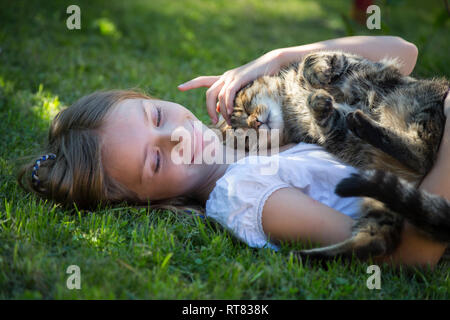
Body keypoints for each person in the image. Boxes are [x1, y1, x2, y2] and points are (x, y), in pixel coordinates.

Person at [19, 36, 448, 268]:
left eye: (155, 116)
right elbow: (411, 254)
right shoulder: (245, 190)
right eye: (155, 161)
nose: (174, 137)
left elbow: (402, 54)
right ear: (151, 200)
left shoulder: (251, 119)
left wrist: (278, 58)